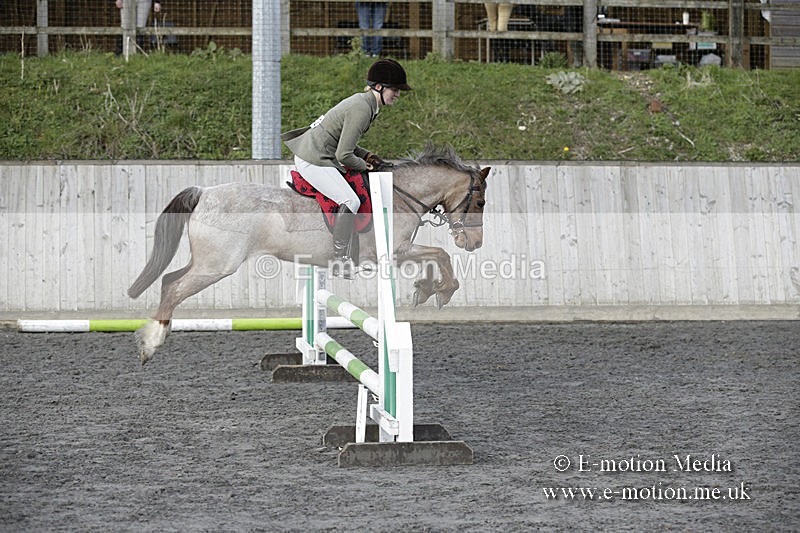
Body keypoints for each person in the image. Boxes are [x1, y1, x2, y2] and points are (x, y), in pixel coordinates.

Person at [281, 59, 411, 276]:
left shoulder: (367, 103)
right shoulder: (362, 107)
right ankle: (340, 260)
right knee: (350, 200)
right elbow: (344, 155)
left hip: (319, 153)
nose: (397, 94)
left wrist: (366, 155)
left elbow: (345, 143)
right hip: (313, 159)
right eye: (395, 89)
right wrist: (365, 165)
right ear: (378, 87)